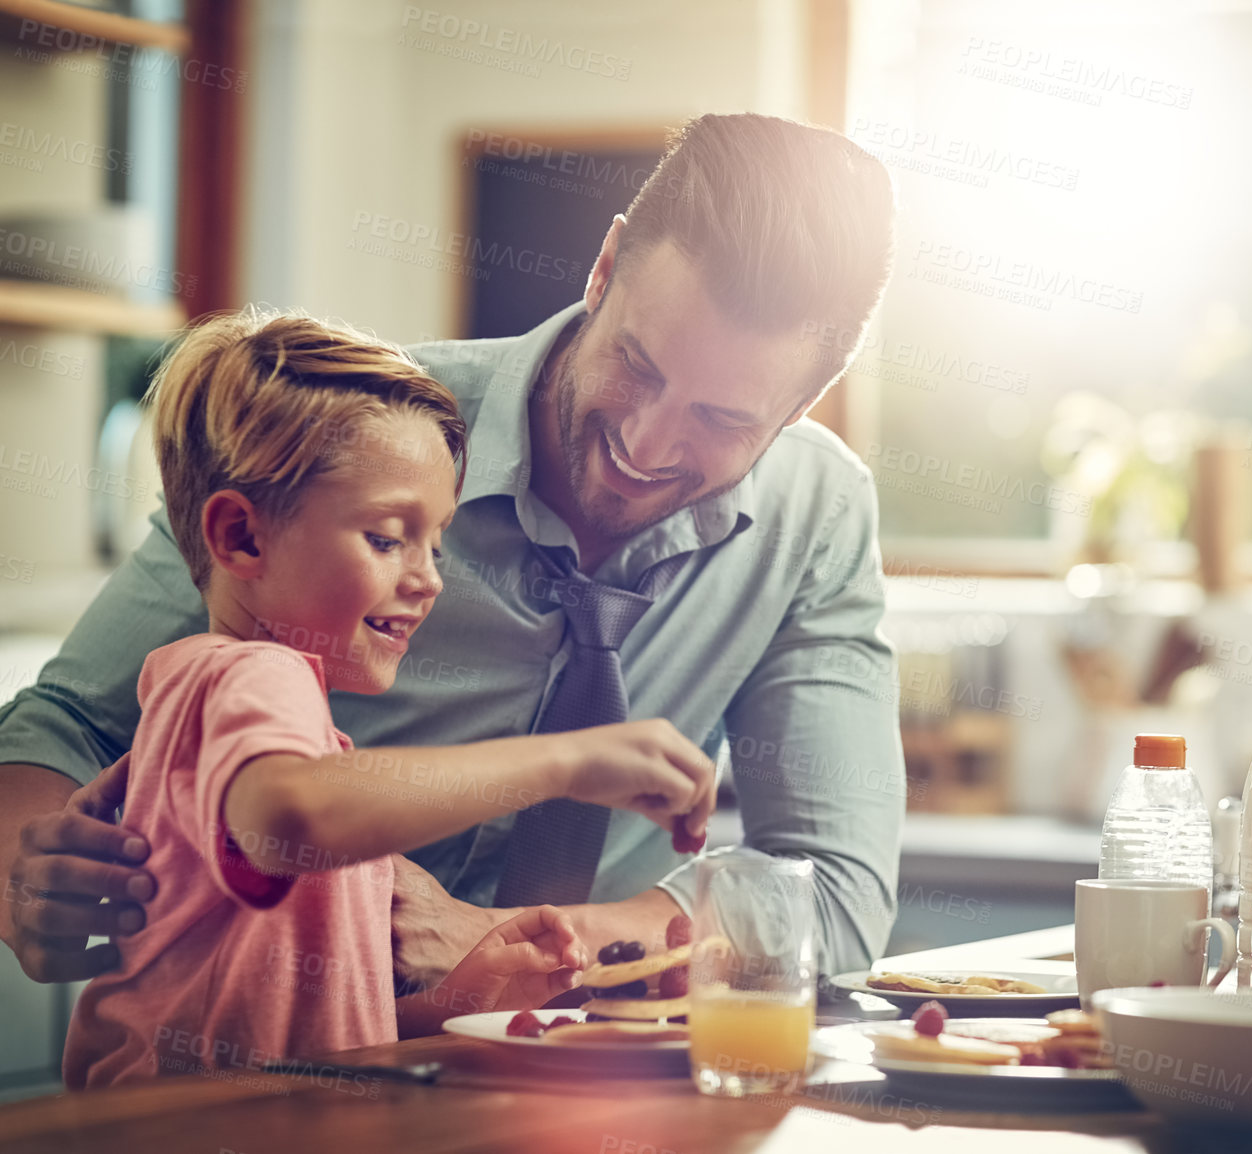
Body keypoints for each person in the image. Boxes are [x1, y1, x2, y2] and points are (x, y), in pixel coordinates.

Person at [0, 113, 904, 994]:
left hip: (584, 1076)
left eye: (723, 419)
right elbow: (64, 726)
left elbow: (831, 891)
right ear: (604, 267)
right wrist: (25, 866)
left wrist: (517, 948)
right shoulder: (354, 440)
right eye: (638, 362)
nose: (647, 442)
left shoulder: (817, 511)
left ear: (797, 411)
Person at [62, 310, 716, 1087]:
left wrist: (461, 1000)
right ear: (241, 537)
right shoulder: (247, 681)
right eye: (385, 538)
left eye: (436, 542)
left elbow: (307, 1033)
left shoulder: (298, 741)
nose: (428, 577)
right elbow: (283, 822)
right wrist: (567, 762)